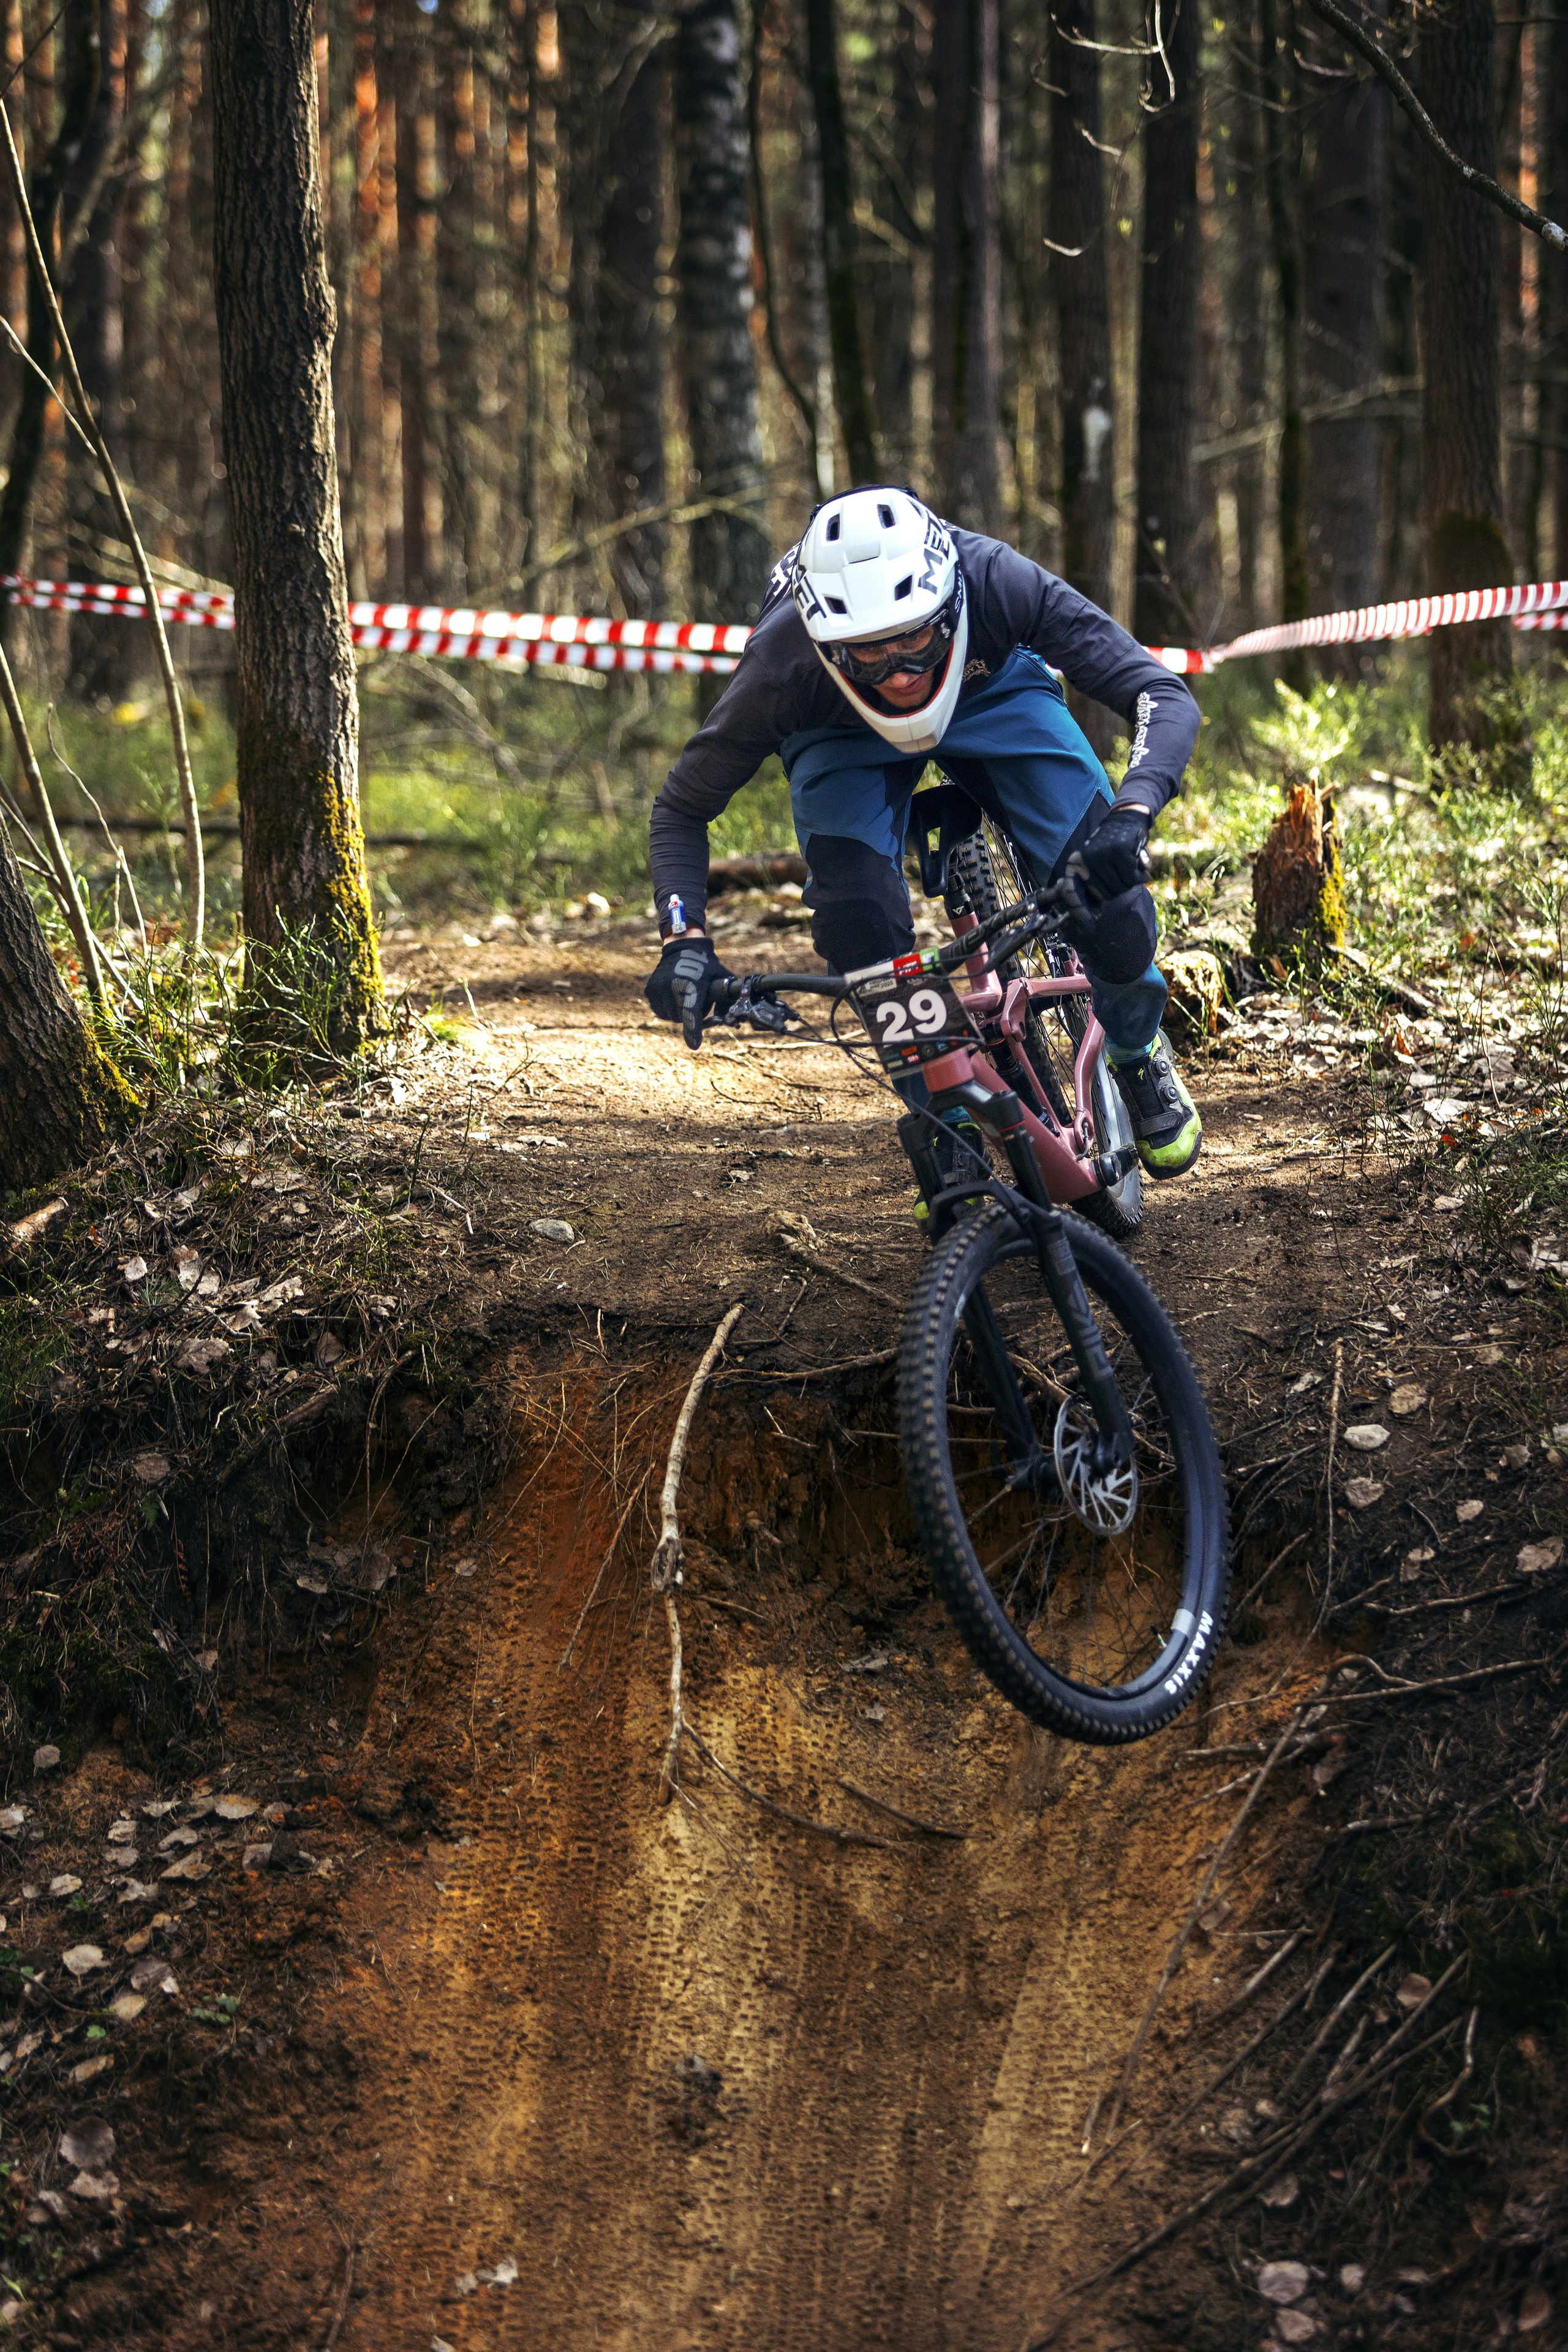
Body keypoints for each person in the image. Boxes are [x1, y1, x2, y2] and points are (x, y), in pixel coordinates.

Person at [643, 488, 1203, 1180]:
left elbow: (1159, 693)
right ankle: (944, 1118)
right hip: (837, 730)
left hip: (989, 687)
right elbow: (680, 810)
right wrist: (685, 940)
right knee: (859, 926)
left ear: (948, 605)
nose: (900, 671)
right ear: (824, 640)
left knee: (1113, 911)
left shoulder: (995, 579)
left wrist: (1132, 816)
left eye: (913, 637)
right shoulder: (783, 664)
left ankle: (1136, 1049)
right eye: (868, 652)